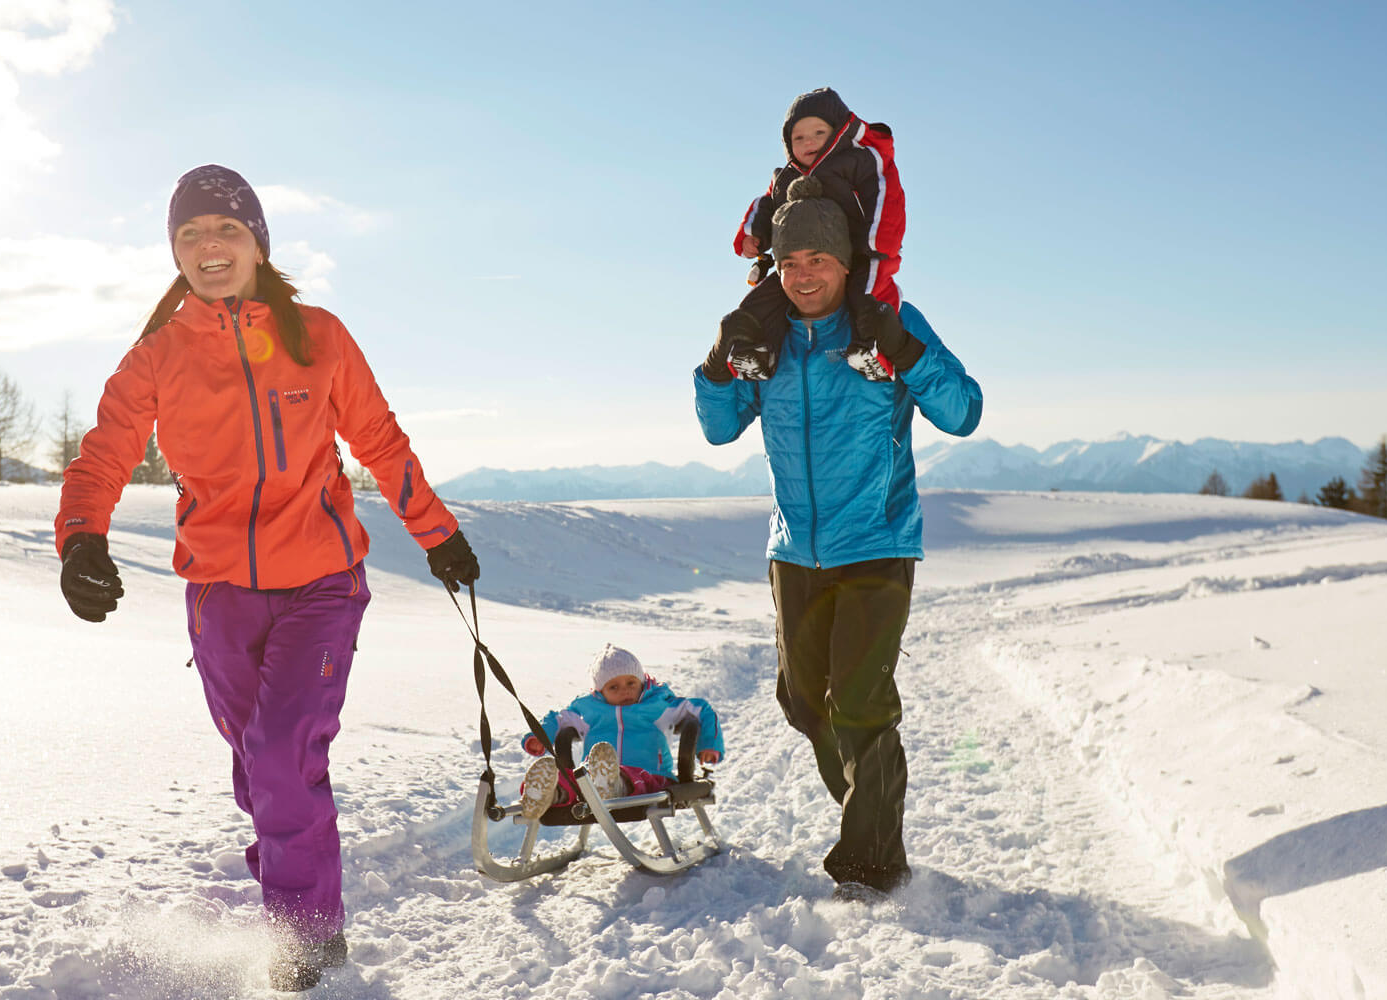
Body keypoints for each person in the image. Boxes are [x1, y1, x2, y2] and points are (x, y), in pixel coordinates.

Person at [54, 164, 481, 992]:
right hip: (219, 593)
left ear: (256, 243)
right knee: (258, 769)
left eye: (225, 231)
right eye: (190, 235)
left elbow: (380, 442)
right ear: (174, 252)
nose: (208, 248)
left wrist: (439, 534)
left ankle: (309, 943)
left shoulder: (317, 335)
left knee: (284, 756)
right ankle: (295, 888)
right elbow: (104, 450)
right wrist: (81, 540)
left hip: (322, 581)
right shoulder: (158, 355)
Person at [693, 173, 982, 899]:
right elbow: (720, 428)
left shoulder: (885, 321)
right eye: (789, 264)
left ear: (846, 262)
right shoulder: (769, 337)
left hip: (877, 543)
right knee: (803, 701)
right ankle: (870, 811)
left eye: (817, 261)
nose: (803, 276)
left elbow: (963, 411)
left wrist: (907, 351)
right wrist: (715, 364)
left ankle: (872, 860)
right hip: (795, 550)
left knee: (859, 702)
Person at [725, 86, 905, 381]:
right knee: (764, 299)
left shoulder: (859, 162)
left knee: (870, 296)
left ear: (837, 133)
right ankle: (757, 352)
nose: (808, 142)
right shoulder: (786, 177)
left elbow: (885, 194)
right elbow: (766, 204)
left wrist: (877, 242)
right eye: (798, 137)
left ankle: (875, 351)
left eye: (818, 133)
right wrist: (751, 234)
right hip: (799, 259)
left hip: (862, 251)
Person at [517, 645, 724, 817]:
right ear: (600, 690)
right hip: (594, 780)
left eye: (631, 683)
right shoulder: (588, 711)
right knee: (573, 778)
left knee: (629, 777)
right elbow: (558, 719)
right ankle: (550, 793)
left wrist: (709, 744)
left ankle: (616, 786)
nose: (624, 690)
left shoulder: (659, 705)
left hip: (653, 778)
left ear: (641, 682)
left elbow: (702, 710)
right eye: (613, 687)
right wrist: (539, 736)